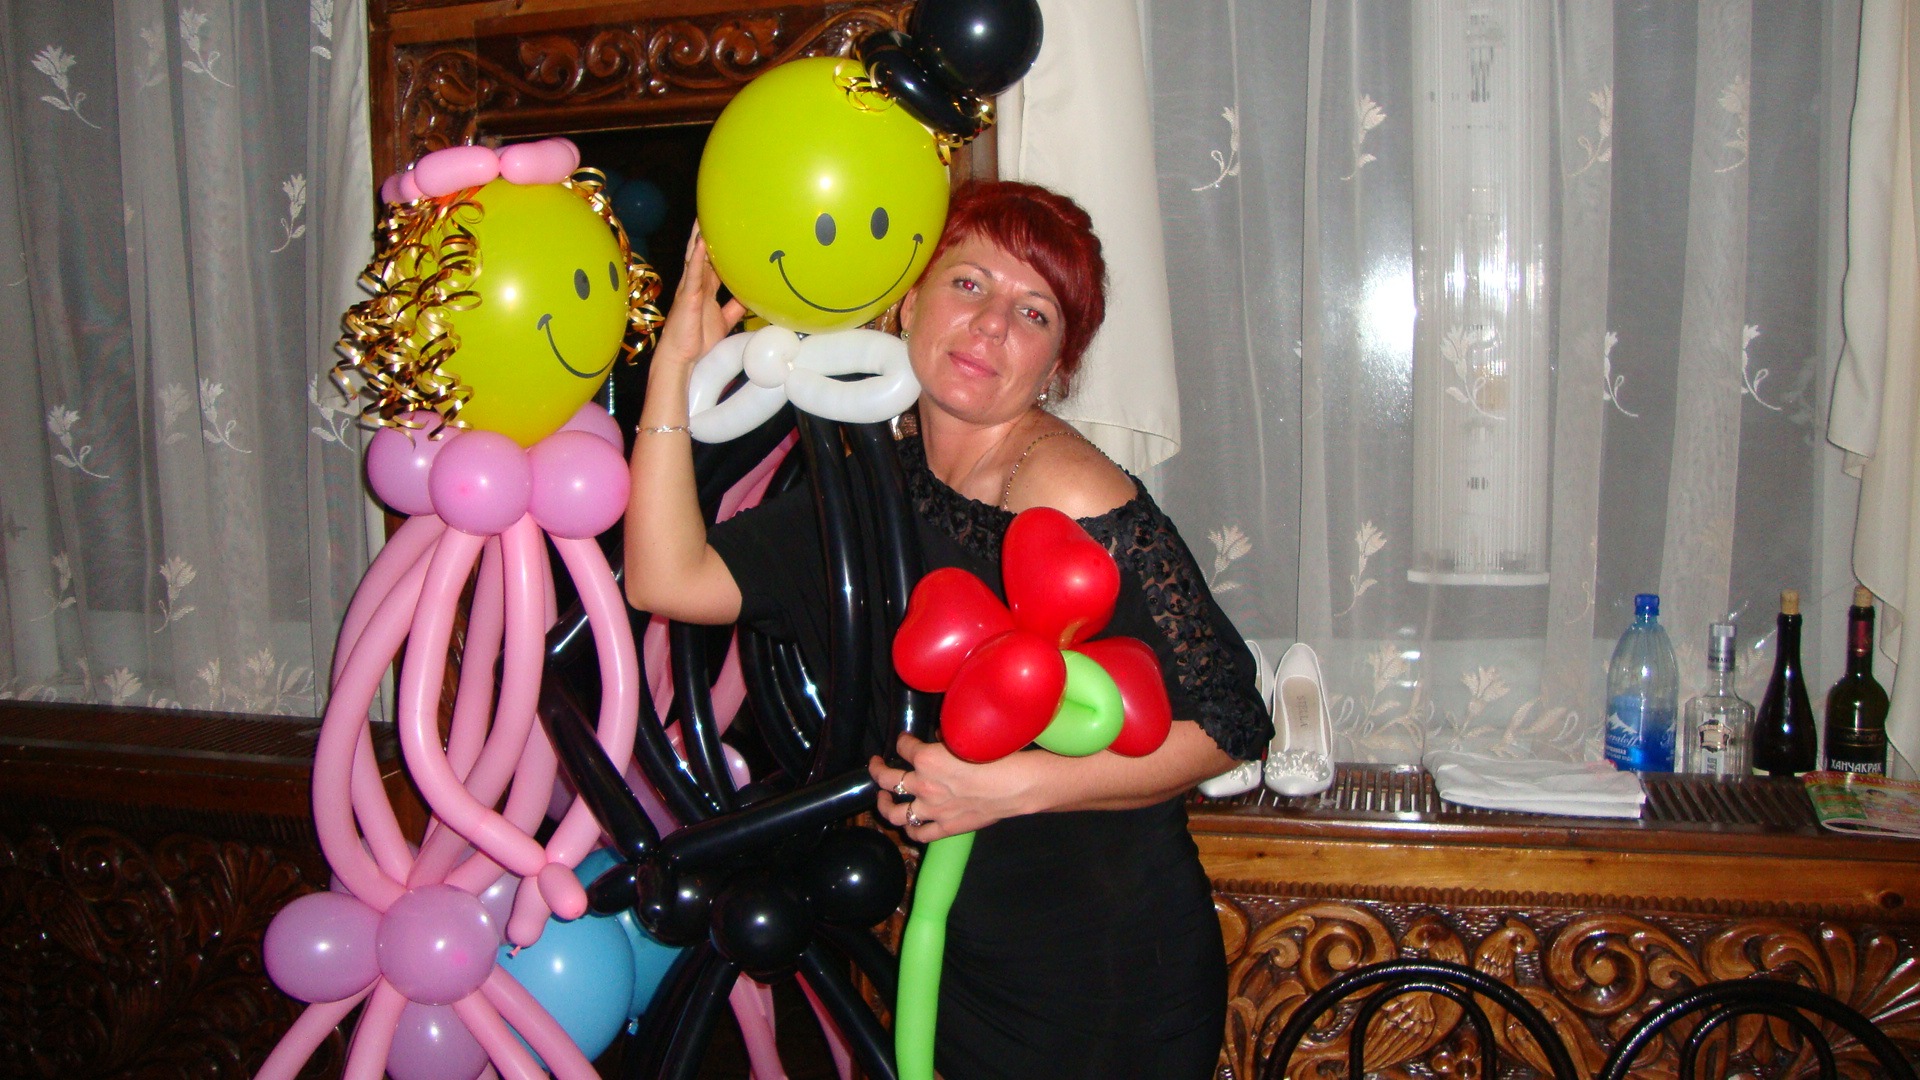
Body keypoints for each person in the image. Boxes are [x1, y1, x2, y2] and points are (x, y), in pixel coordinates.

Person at [625, 180, 1268, 1079]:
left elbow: (1231, 723)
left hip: (1105, 971)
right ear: (906, 302)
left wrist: (1007, 788)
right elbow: (667, 577)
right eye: (969, 283)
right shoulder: (877, 484)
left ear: (1056, 367)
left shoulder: (1064, 492)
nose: (992, 325)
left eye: (1034, 313)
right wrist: (675, 371)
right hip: (968, 960)